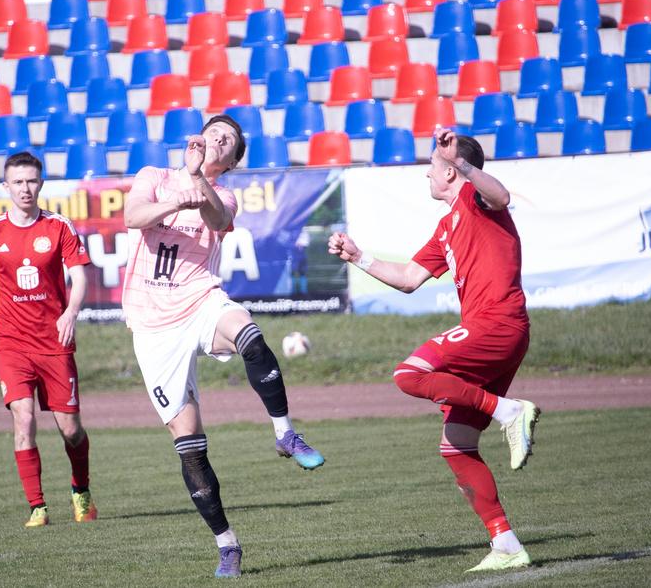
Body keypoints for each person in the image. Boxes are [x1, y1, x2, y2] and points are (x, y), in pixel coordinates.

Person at [121, 114, 325, 578]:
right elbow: (133, 217)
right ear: (197, 137)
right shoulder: (154, 177)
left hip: (200, 300)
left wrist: (198, 181)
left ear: (230, 161)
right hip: (153, 327)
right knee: (190, 447)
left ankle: (284, 433)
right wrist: (177, 195)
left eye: (228, 140)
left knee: (250, 334)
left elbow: (218, 217)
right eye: (215, 131)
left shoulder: (224, 193)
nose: (219, 138)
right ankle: (227, 544)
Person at [327, 128, 540, 572]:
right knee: (456, 444)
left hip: (497, 324)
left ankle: (509, 412)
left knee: (409, 373)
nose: (427, 173)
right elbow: (407, 278)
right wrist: (358, 257)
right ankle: (506, 544)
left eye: (433, 166)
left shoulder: (475, 200)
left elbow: (500, 195)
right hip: (492, 332)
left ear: (450, 169)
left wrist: (463, 165)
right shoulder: (446, 226)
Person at [0, 151, 98, 527]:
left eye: (31, 181)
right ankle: (37, 506)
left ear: (41, 183)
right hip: (11, 342)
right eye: (17, 182)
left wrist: (71, 312)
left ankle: (80, 489)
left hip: (54, 342)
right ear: (6, 186)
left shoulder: (59, 227)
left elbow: (79, 277)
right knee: (23, 418)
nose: (25, 188)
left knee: (71, 429)